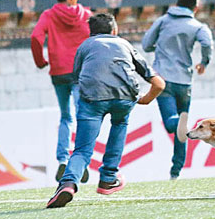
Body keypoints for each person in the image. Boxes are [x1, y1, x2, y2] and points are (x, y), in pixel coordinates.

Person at [46, 13, 165, 208]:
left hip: (92, 99)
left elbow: (77, 79)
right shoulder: (125, 45)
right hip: (124, 98)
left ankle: (67, 184)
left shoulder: (85, 46)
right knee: (120, 122)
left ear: (91, 33)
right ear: (114, 30)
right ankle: (108, 178)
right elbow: (159, 84)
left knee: (82, 150)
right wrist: (145, 99)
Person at [141, 0, 214, 180]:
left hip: (163, 79)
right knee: (183, 130)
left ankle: (176, 122)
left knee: (171, 122)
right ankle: (176, 170)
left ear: (177, 3)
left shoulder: (163, 21)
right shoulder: (198, 26)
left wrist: (161, 47)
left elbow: (146, 44)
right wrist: (203, 62)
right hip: (185, 81)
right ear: (195, 8)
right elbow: (207, 44)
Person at [31, 0, 92, 182]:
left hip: (58, 73)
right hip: (80, 74)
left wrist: (40, 61)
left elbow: (36, 37)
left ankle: (63, 159)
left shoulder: (48, 15)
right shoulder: (86, 15)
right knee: (83, 115)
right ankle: (80, 160)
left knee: (66, 117)